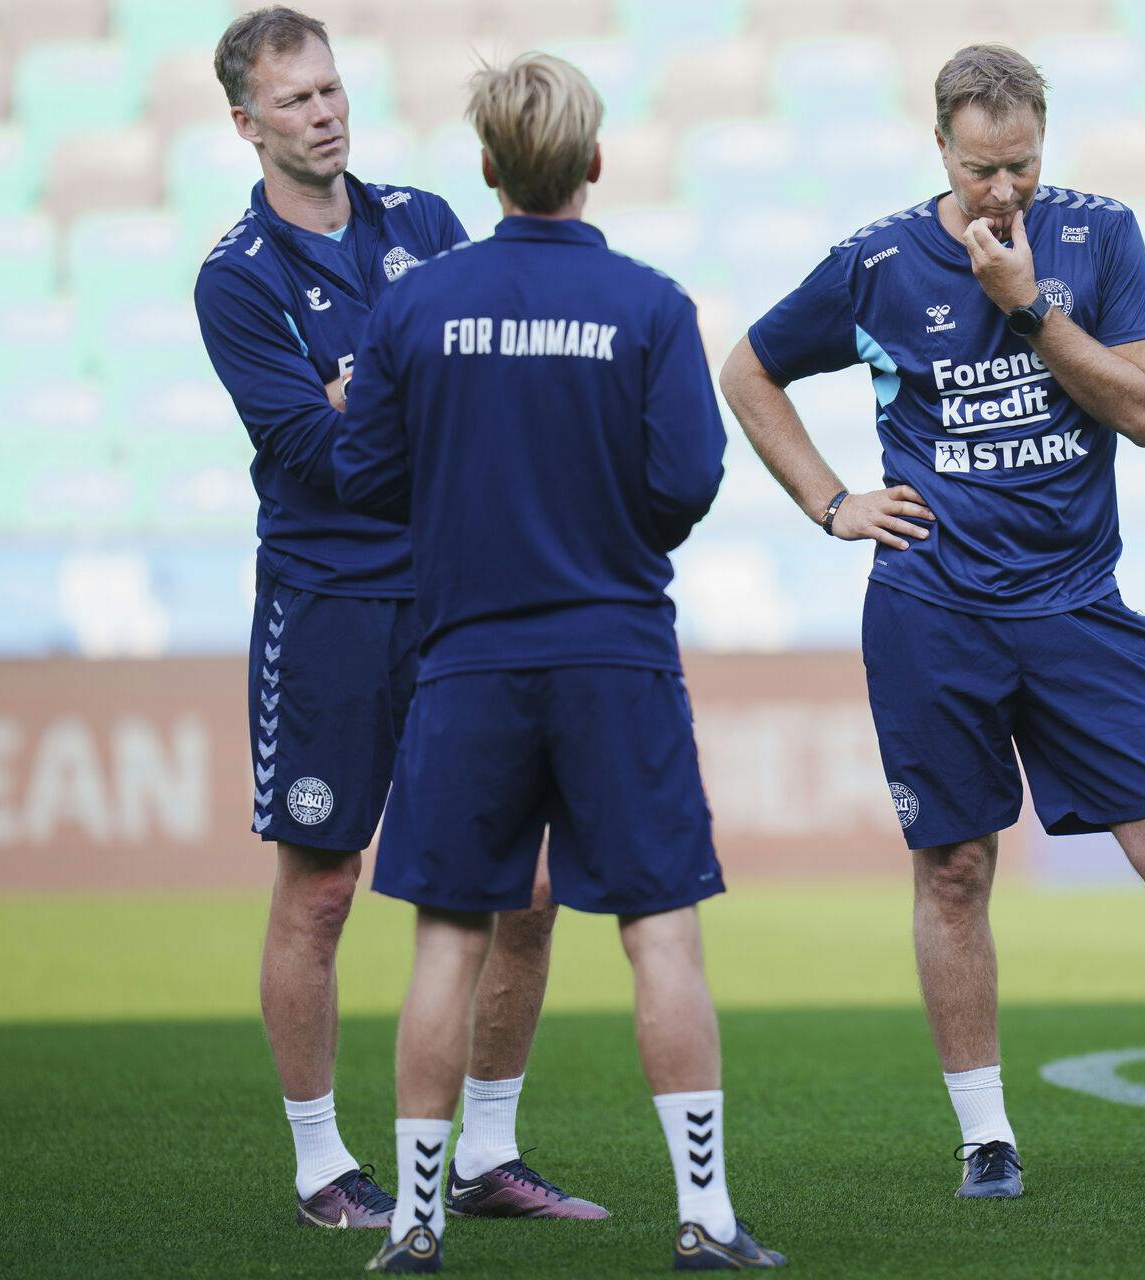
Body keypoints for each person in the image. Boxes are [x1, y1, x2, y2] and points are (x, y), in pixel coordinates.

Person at [719, 43, 1145, 1203]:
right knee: (955, 867)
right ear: (941, 151)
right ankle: (987, 1140)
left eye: (1023, 166)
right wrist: (832, 502)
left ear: (1044, 146)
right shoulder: (874, 262)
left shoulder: (1098, 239)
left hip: (1077, 606)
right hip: (932, 608)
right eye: (981, 166)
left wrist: (1030, 308)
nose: (1003, 190)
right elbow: (747, 369)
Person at [332, 52, 786, 1274]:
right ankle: (704, 1218)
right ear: (592, 163)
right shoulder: (648, 305)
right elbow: (688, 481)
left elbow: (360, 475)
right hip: (613, 653)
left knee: (446, 939)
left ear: (486, 169)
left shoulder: (415, 307)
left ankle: (417, 1228)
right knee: (662, 935)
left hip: (467, 660)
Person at [192, 7, 603, 1230]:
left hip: (459, 596)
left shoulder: (424, 221)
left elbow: (473, 385)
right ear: (246, 123)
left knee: (527, 885)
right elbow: (321, 456)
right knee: (321, 888)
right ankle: (324, 1165)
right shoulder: (235, 278)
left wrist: (371, 382)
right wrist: (401, 385)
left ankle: (487, 1150)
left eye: (330, 88)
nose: (324, 111)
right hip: (329, 609)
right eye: (296, 99)